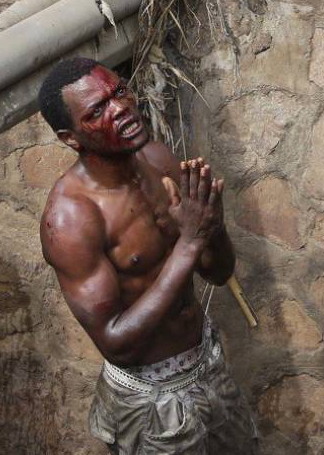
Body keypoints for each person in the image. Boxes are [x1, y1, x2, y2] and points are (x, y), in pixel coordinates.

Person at [35, 58, 256, 454]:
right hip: (151, 402)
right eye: (97, 111)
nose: (120, 108)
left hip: (208, 368)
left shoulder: (157, 160)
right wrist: (189, 242)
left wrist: (212, 227)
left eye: (118, 91)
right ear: (71, 138)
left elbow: (219, 273)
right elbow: (116, 343)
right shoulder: (71, 218)